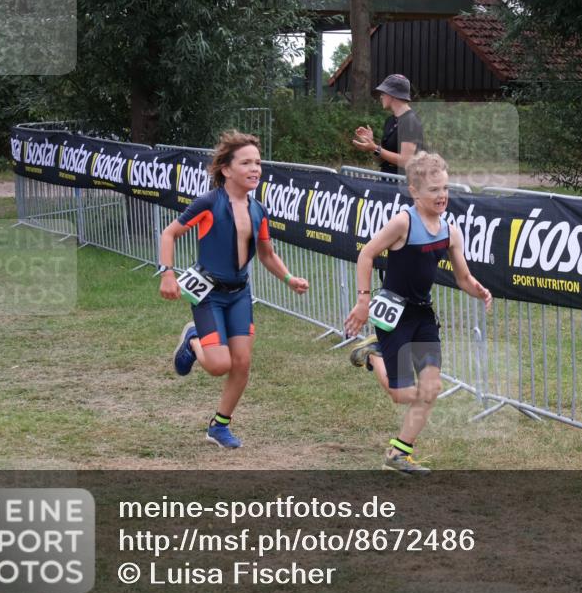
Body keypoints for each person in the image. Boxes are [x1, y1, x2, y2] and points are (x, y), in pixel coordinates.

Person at [159, 130, 309, 449]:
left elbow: (267, 254)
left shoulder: (259, 210)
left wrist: (289, 278)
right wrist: (167, 274)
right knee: (218, 365)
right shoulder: (208, 203)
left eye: (258, 162)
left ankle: (219, 425)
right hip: (208, 293)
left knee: (241, 363)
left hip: (240, 294)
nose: (255, 169)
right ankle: (193, 340)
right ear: (227, 169)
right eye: (246, 163)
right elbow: (169, 234)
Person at [344, 152, 491, 474]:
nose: (442, 196)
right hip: (393, 315)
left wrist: (478, 289)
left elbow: (462, 277)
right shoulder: (403, 222)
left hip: (423, 315)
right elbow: (367, 254)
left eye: (445, 188)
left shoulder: (451, 231)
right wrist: (363, 301)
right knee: (401, 394)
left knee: (430, 388)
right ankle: (373, 355)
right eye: (434, 190)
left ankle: (399, 453)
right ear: (414, 191)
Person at [351, 74, 424, 175]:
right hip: (387, 182)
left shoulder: (410, 121)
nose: (381, 97)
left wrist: (375, 148)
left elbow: (406, 161)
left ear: (392, 94)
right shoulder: (390, 121)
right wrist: (371, 143)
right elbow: (380, 160)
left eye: (383, 93)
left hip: (403, 186)